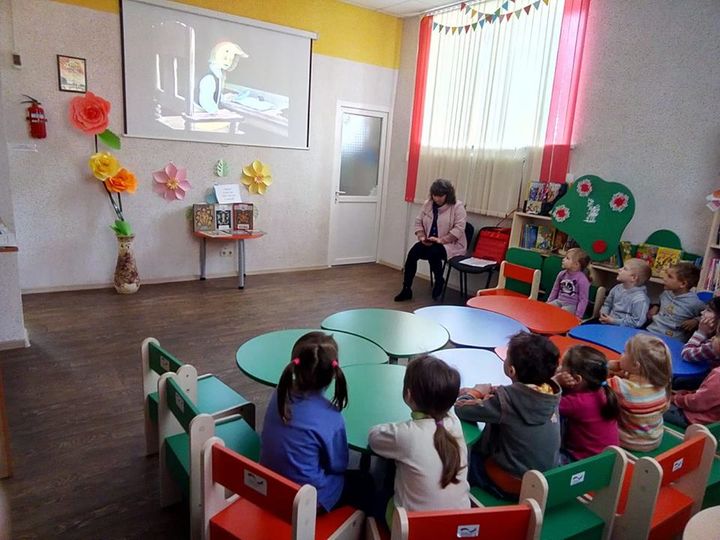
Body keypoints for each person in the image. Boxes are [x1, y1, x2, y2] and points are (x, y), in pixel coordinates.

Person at [260, 331, 365, 513]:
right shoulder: (331, 416)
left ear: (294, 365)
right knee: (365, 482)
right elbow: (338, 465)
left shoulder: (279, 394)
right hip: (305, 501)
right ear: (333, 374)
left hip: (269, 486)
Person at [454, 332, 561, 499]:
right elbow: (519, 396)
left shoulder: (506, 402)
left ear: (511, 370)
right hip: (543, 481)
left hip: (511, 483)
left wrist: (476, 392)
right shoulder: (550, 393)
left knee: (461, 458)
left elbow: (461, 408)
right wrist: (495, 392)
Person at [368, 355, 470, 526]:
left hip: (411, 530)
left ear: (408, 395)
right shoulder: (455, 424)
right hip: (456, 528)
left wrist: (397, 426)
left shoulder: (405, 435)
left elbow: (374, 437)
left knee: (375, 489)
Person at [394, 179, 467, 302]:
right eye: (434, 195)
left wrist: (441, 240)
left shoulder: (457, 207)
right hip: (430, 241)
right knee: (412, 254)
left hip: (451, 244)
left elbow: (459, 229)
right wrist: (422, 237)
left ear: (448, 195)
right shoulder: (428, 204)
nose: (437, 198)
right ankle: (406, 289)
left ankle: (439, 281)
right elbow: (418, 222)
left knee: (433, 252)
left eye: (440, 196)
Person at [606, 334, 672, 452]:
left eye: (624, 352)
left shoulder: (622, 387)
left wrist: (607, 365)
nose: (621, 355)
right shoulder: (661, 384)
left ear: (636, 365)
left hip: (630, 441)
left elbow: (596, 380)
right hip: (654, 439)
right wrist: (622, 367)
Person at [554, 346, 620, 462]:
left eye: (562, 366)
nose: (558, 369)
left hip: (583, 462)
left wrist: (555, 381)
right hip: (607, 459)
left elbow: (545, 403)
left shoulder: (577, 403)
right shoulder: (604, 390)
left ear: (576, 379)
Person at [647, 263, 704, 341]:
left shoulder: (694, 302)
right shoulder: (666, 293)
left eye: (670, 276)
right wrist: (656, 306)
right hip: (651, 331)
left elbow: (708, 315)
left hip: (672, 339)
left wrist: (696, 321)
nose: (664, 278)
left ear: (683, 284)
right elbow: (660, 300)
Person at [599, 258, 652, 328]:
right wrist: (604, 314)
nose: (619, 269)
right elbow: (607, 304)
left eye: (625, 269)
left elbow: (637, 322)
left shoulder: (640, 299)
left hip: (625, 329)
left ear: (633, 278)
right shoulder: (616, 288)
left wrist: (614, 321)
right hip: (608, 324)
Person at [198, 41, 248, 114]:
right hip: (200, 114)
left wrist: (224, 97)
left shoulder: (218, 74)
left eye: (232, 60)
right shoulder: (209, 78)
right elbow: (206, 102)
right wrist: (220, 113)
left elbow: (213, 94)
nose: (229, 62)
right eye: (226, 58)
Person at [546, 248, 591, 318]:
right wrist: (548, 302)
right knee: (546, 309)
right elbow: (555, 289)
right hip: (559, 301)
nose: (563, 259)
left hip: (571, 305)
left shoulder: (582, 280)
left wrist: (578, 316)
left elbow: (583, 300)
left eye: (567, 258)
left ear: (576, 264)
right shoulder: (562, 274)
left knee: (561, 314)